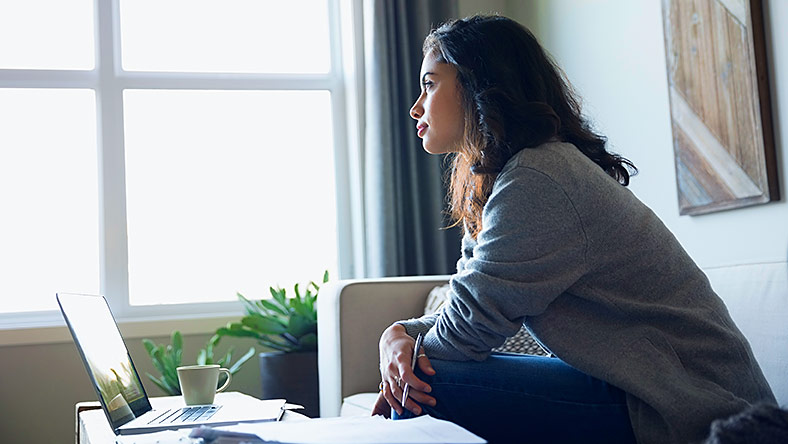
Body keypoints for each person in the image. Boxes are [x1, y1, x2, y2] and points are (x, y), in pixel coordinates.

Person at [372, 14, 776, 444]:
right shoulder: (509, 176)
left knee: (430, 386)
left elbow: (469, 332)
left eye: (430, 84)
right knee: (422, 380)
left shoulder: (539, 178)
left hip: (684, 406)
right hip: (638, 388)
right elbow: (466, 304)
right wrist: (396, 335)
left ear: (475, 84)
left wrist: (406, 362)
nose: (416, 106)